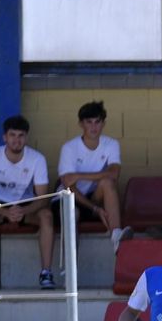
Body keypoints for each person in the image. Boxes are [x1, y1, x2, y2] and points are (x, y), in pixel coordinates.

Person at [0, 115, 54, 291]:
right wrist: (6, 213)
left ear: (26, 137)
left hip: (27, 205)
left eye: (21, 135)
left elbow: (43, 198)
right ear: (4, 137)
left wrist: (23, 211)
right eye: (12, 135)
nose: (17, 140)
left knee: (47, 216)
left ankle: (46, 272)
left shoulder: (37, 158)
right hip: (0, 207)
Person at [56, 100, 128, 251]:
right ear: (81, 124)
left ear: (103, 123)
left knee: (107, 182)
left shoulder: (111, 144)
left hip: (93, 198)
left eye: (97, 122)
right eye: (89, 122)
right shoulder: (69, 147)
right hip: (69, 199)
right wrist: (95, 208)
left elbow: (114, 174)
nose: (93, 127)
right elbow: (68, 184)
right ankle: (70, 264)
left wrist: (78, 175)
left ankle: (116, 236)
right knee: (72, 214)